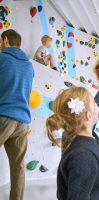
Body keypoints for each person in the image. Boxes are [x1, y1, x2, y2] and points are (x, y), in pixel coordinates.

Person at [46, 59, 99, 200]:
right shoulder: (84, 157)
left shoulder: (75, 131)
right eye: (93, 103)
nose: (96, 104)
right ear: (88, 115)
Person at [0, 29, 34, 200]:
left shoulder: (1, 58)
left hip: (3, 116)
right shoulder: (29, 66)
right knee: (18, 167)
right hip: (22, 122)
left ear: (5, 40)